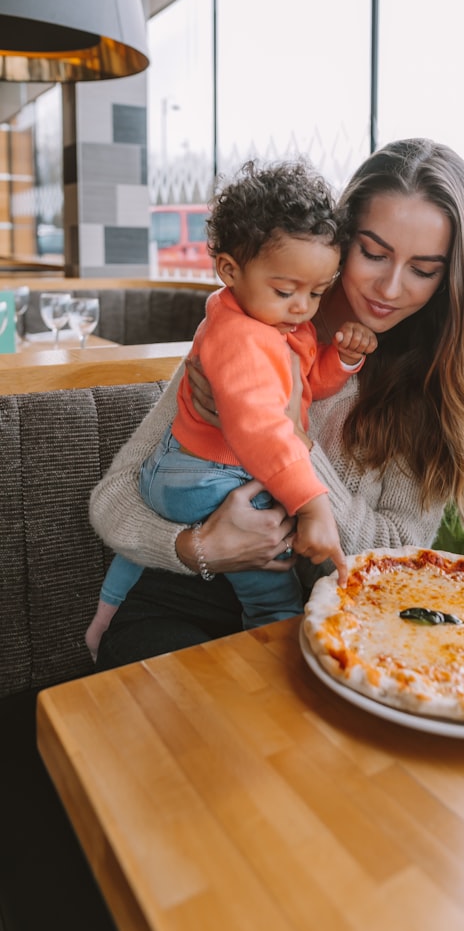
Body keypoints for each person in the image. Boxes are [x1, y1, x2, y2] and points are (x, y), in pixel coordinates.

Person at [88, 138, 464, 669]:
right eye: (373, 254)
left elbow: (397, 557)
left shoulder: (434, 389)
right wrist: (199, 548)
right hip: (180, 596)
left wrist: (291, 436)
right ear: (340, 240)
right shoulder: (251, 326)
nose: (390, 286)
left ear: (450, 277)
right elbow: (113, 495)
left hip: (322, 620)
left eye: (423, 269)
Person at [85, 160, 377, 659]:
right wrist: (312, 504)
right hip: (204, 478)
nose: (303, 307)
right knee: (274, 592)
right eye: (287, 291)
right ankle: (273, 651)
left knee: (133, 561)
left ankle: (104, 616)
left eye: (317, 292)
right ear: (229, 270)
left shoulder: (268, 320)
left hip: (175, 474)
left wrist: (342, 359)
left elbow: (304, 389)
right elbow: (263, 427)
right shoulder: (241, 336)